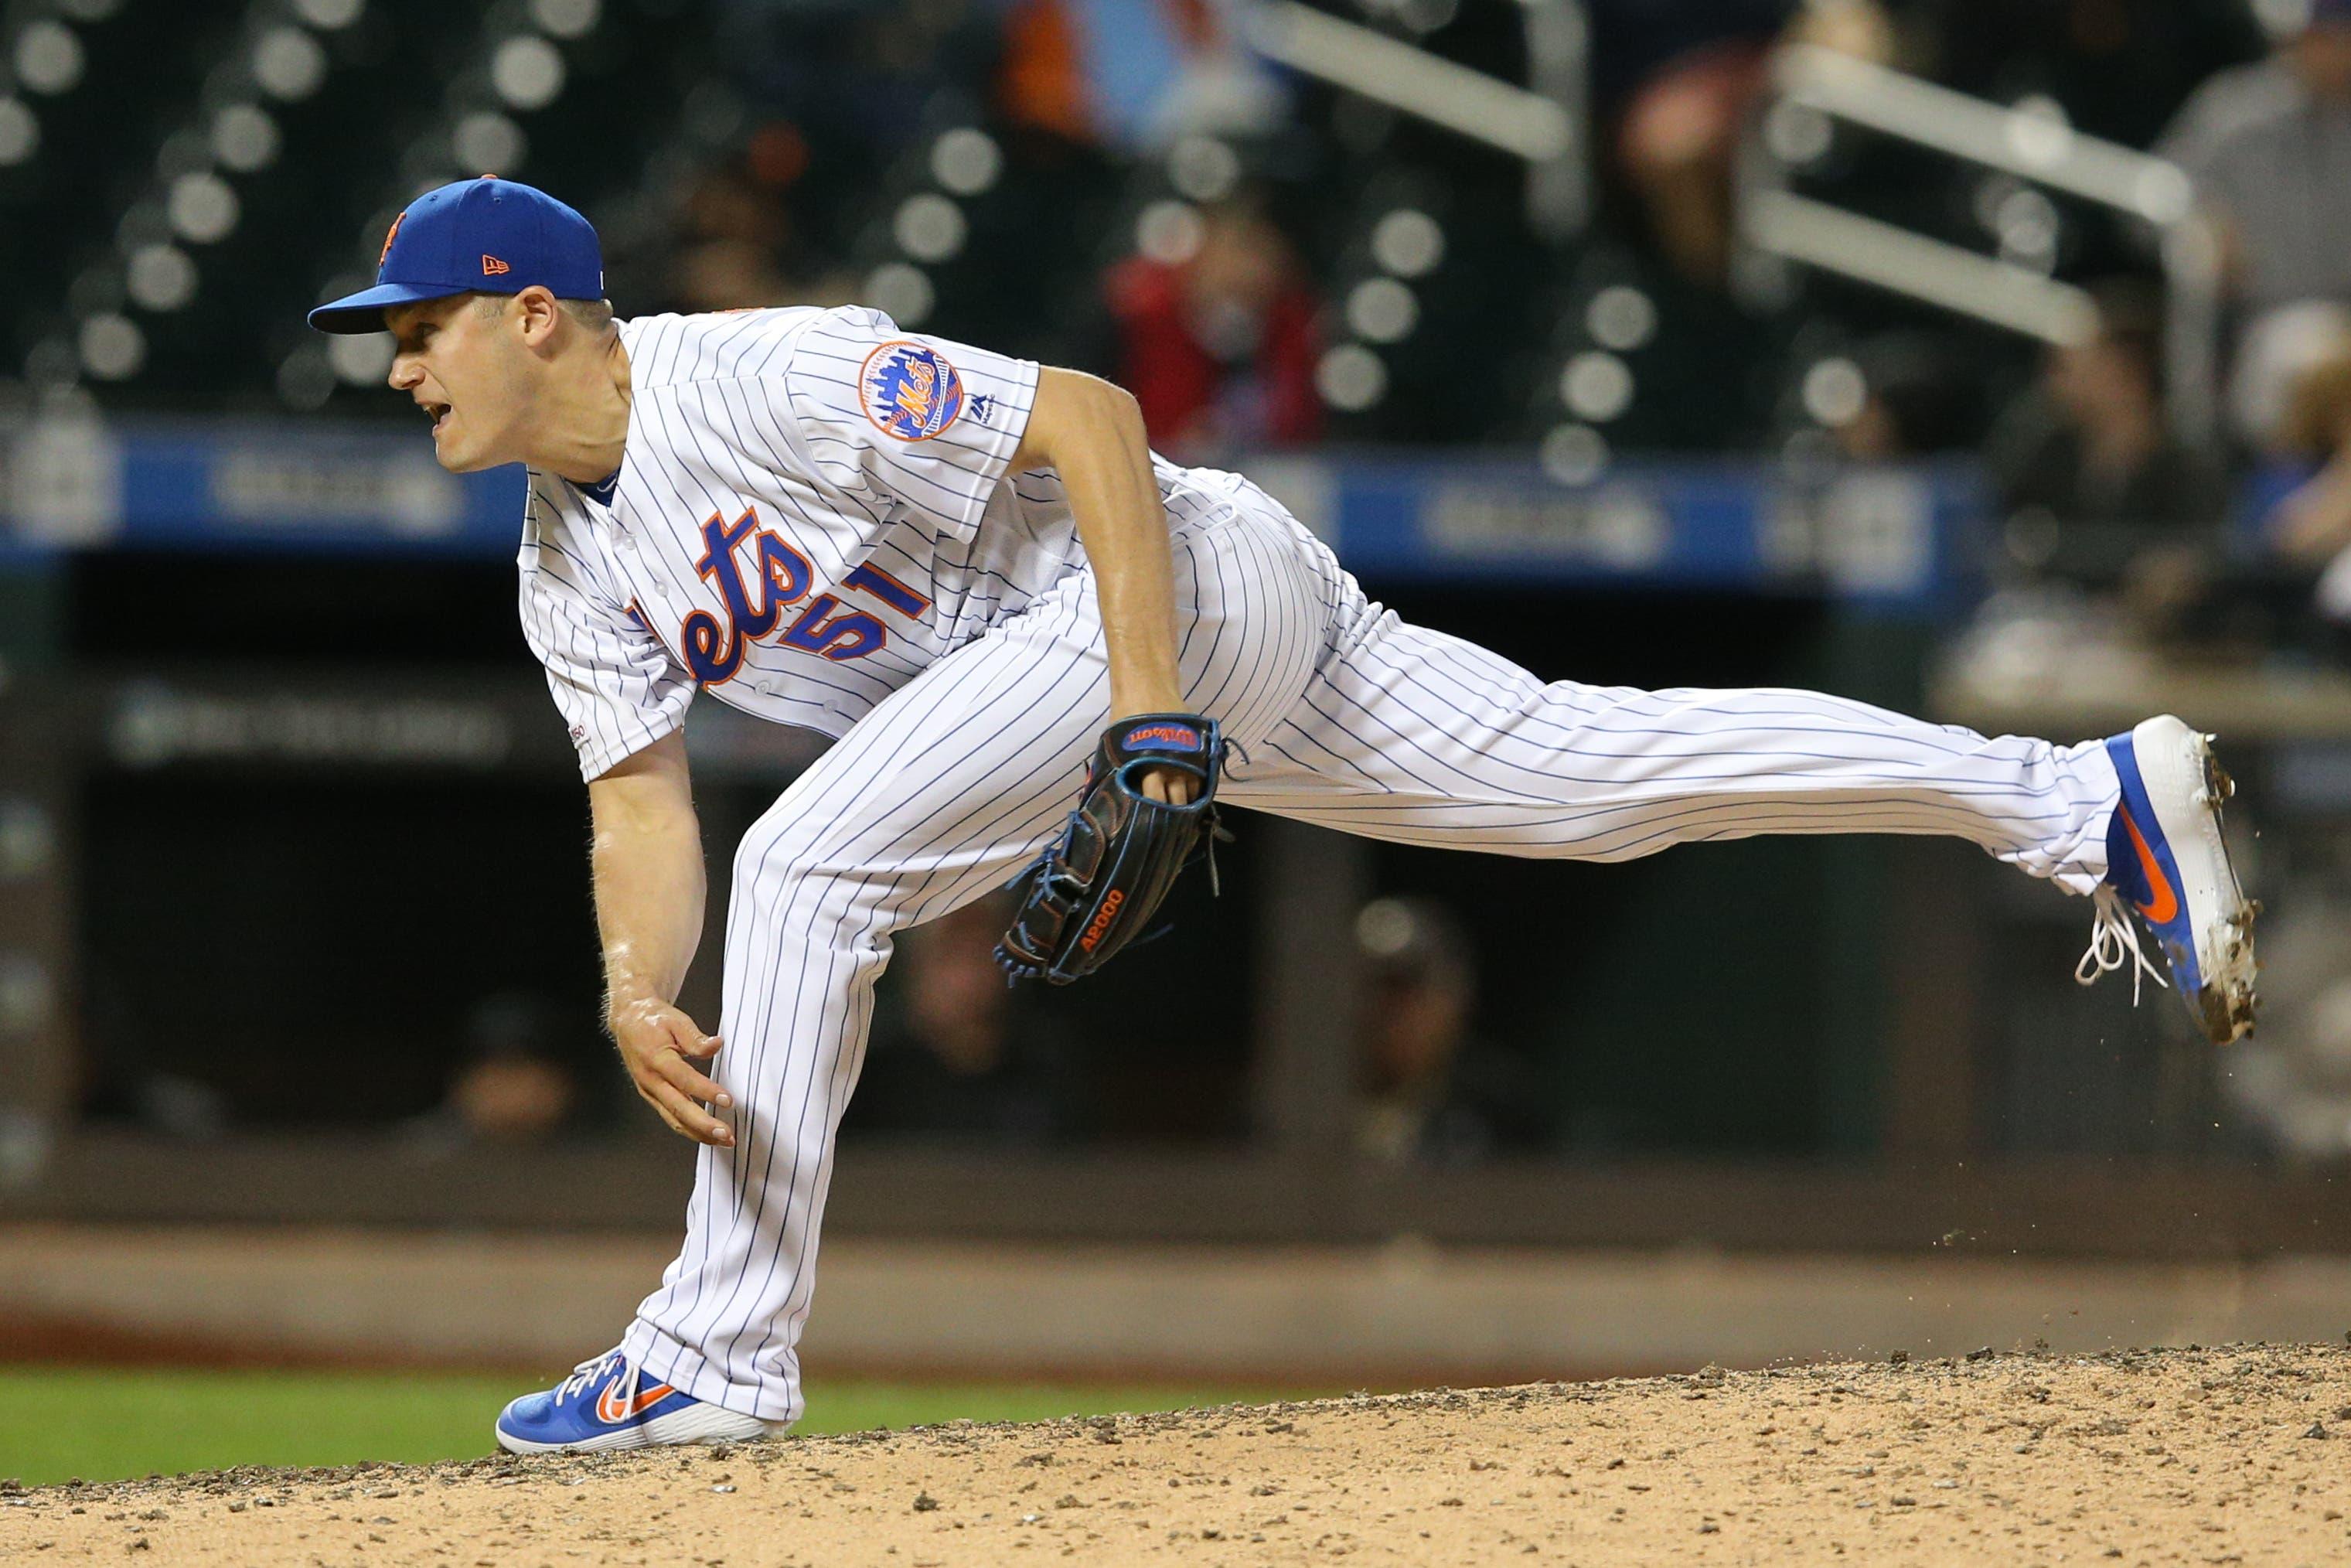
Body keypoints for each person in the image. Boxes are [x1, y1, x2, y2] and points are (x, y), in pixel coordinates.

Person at [305, 176, 2257, 1456]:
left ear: (534, 310)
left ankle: (719, 1348)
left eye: (416, 327)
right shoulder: (566, 565)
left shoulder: (755, 376)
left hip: (1171, 589)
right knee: (1594, 779)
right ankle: (2075, 800)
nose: (395, 366)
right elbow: (633, 792)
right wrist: (638, 979)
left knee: (817, 861)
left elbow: (1084, 416)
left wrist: (1143, 702)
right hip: (1114, 664)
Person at [1350, 898, 1549, 1164]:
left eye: (1406, 988)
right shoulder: (1297, 1104)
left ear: (1453, 999)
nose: (1386, 1009)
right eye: (1371, 988)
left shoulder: (1499, 1108)